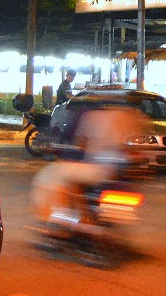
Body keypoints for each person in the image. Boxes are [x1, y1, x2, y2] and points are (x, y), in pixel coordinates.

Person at [33, 97, 144, 228]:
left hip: (97, 169)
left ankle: (60, 218)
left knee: (52, 174)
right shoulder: (129, 118)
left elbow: (81, 143)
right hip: (116, 171)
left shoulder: (92, 116)